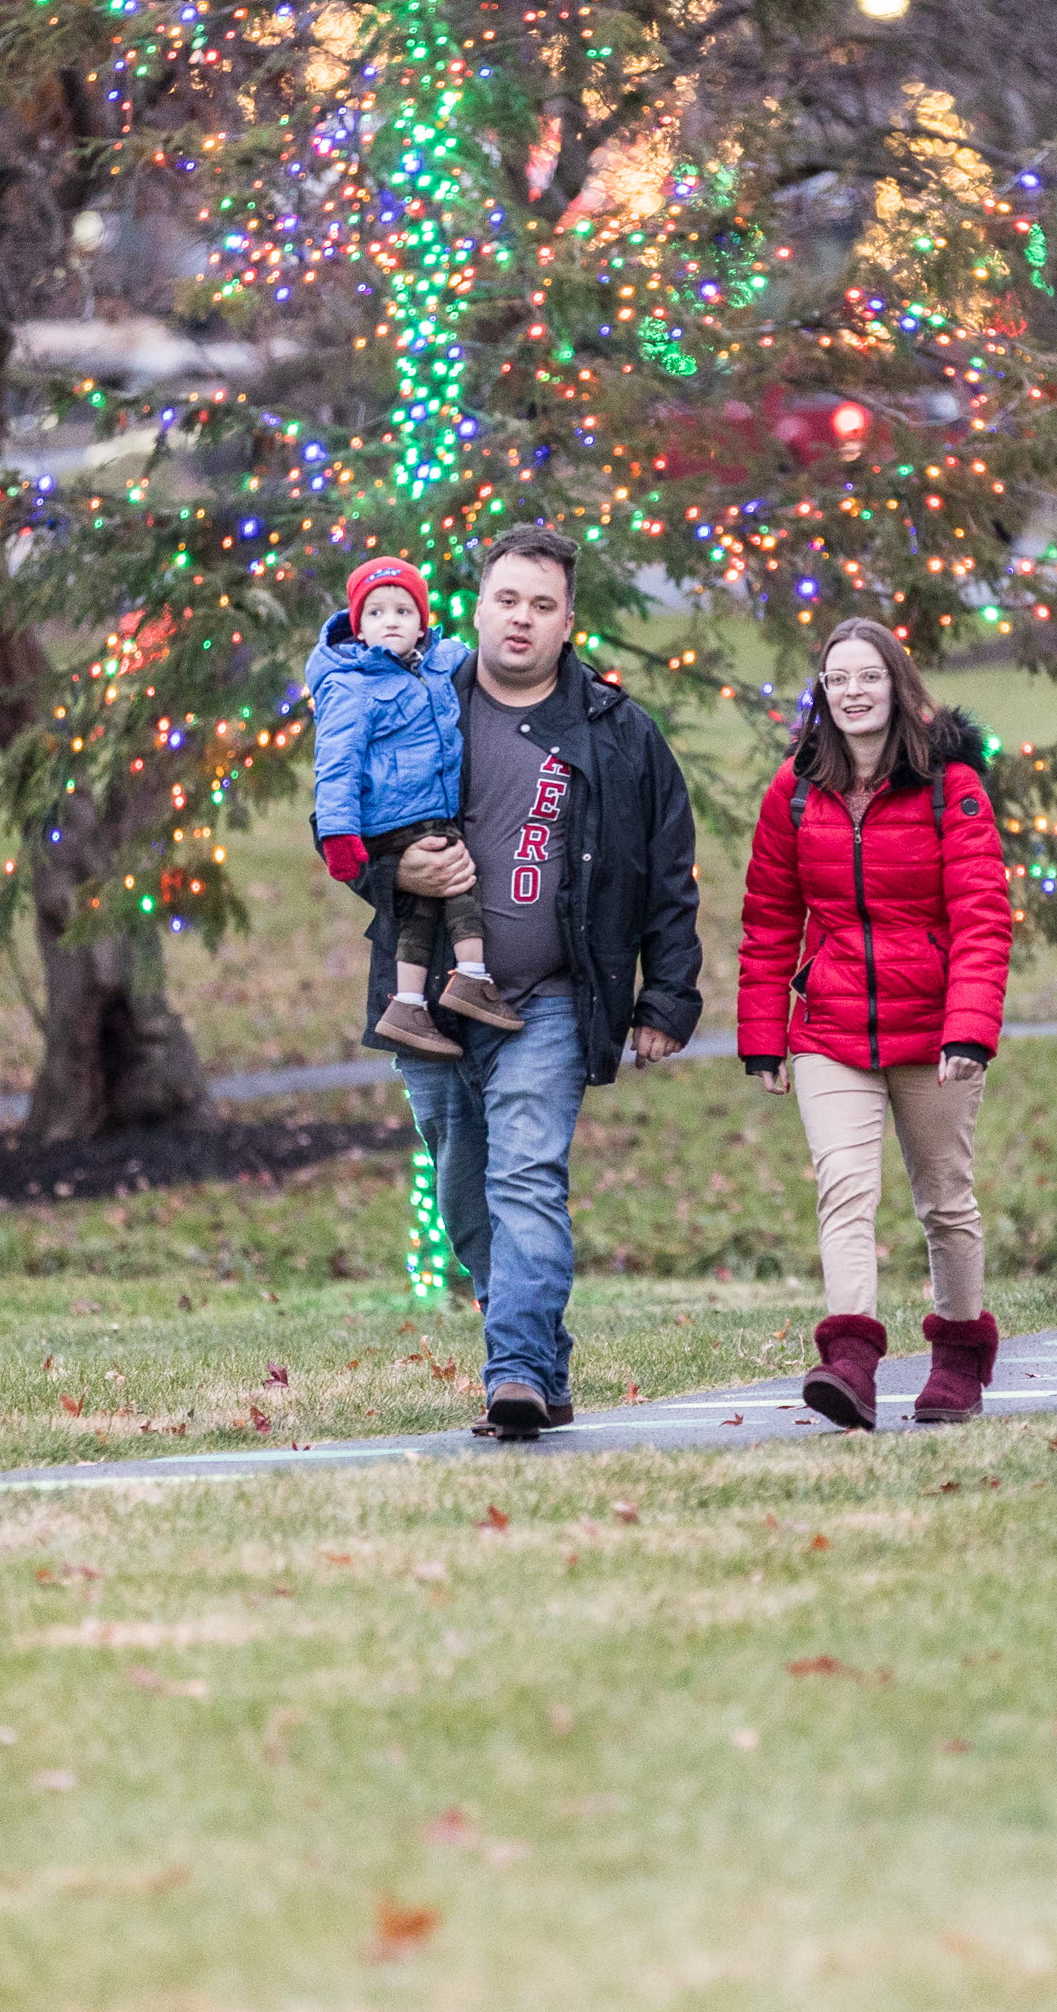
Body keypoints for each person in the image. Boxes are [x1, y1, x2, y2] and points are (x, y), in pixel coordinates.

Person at [366, 525, 704, 1440]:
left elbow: (667, 871)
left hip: (553, 996)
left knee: (527, 1178)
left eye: (542, 605)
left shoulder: (616, 732)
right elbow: (346, 824)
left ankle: (511, 1371)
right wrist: (392, 876)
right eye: (507, 599)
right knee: (466, 1196)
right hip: (425, 995)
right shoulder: (414, 702)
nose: (522, 619)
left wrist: (667, 996)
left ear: (567, 621)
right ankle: (539, 1365)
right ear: (476, 606)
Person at [737, 619, 1015, 1430]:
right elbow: (768, 919)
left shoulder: (948, 785)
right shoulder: (794, 789)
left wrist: (970, 1029)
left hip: (933, 1029)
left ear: (896, 686)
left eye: (868, 677)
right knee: (844, 1189)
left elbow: (981, 916)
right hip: (828, 1029)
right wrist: (762, 1034)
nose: (853, 693)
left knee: (945, 1202)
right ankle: (850, 1362)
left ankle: (959, 1360)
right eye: (837, 680)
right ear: (821, 694)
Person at [311, 554, 525, 1059]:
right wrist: (339, 838)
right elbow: (335, 769)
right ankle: (471, 976)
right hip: (392, 817)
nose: (391, 622)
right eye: (377, 613)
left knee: (422, 913)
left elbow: (477, 654)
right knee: (459, 884)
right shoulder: (350, 689)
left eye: (404, 612)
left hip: (426, 809)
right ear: (358, 627)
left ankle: (408, 1006)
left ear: (422, 623)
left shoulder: (437, 663)